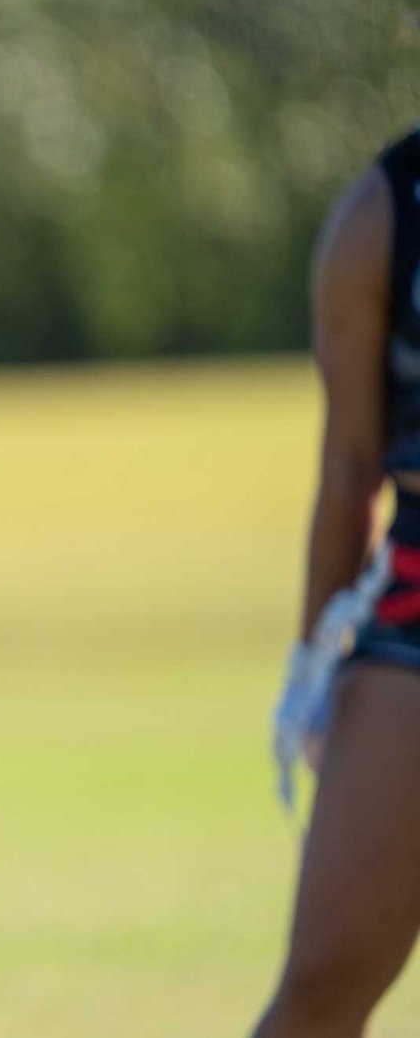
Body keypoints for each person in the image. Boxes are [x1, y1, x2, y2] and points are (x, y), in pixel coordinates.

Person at [254, 123, 420, 1038]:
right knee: (320, 987)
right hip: (414, 611)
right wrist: (311, 669)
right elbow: (351, 470)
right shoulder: (385, 211)